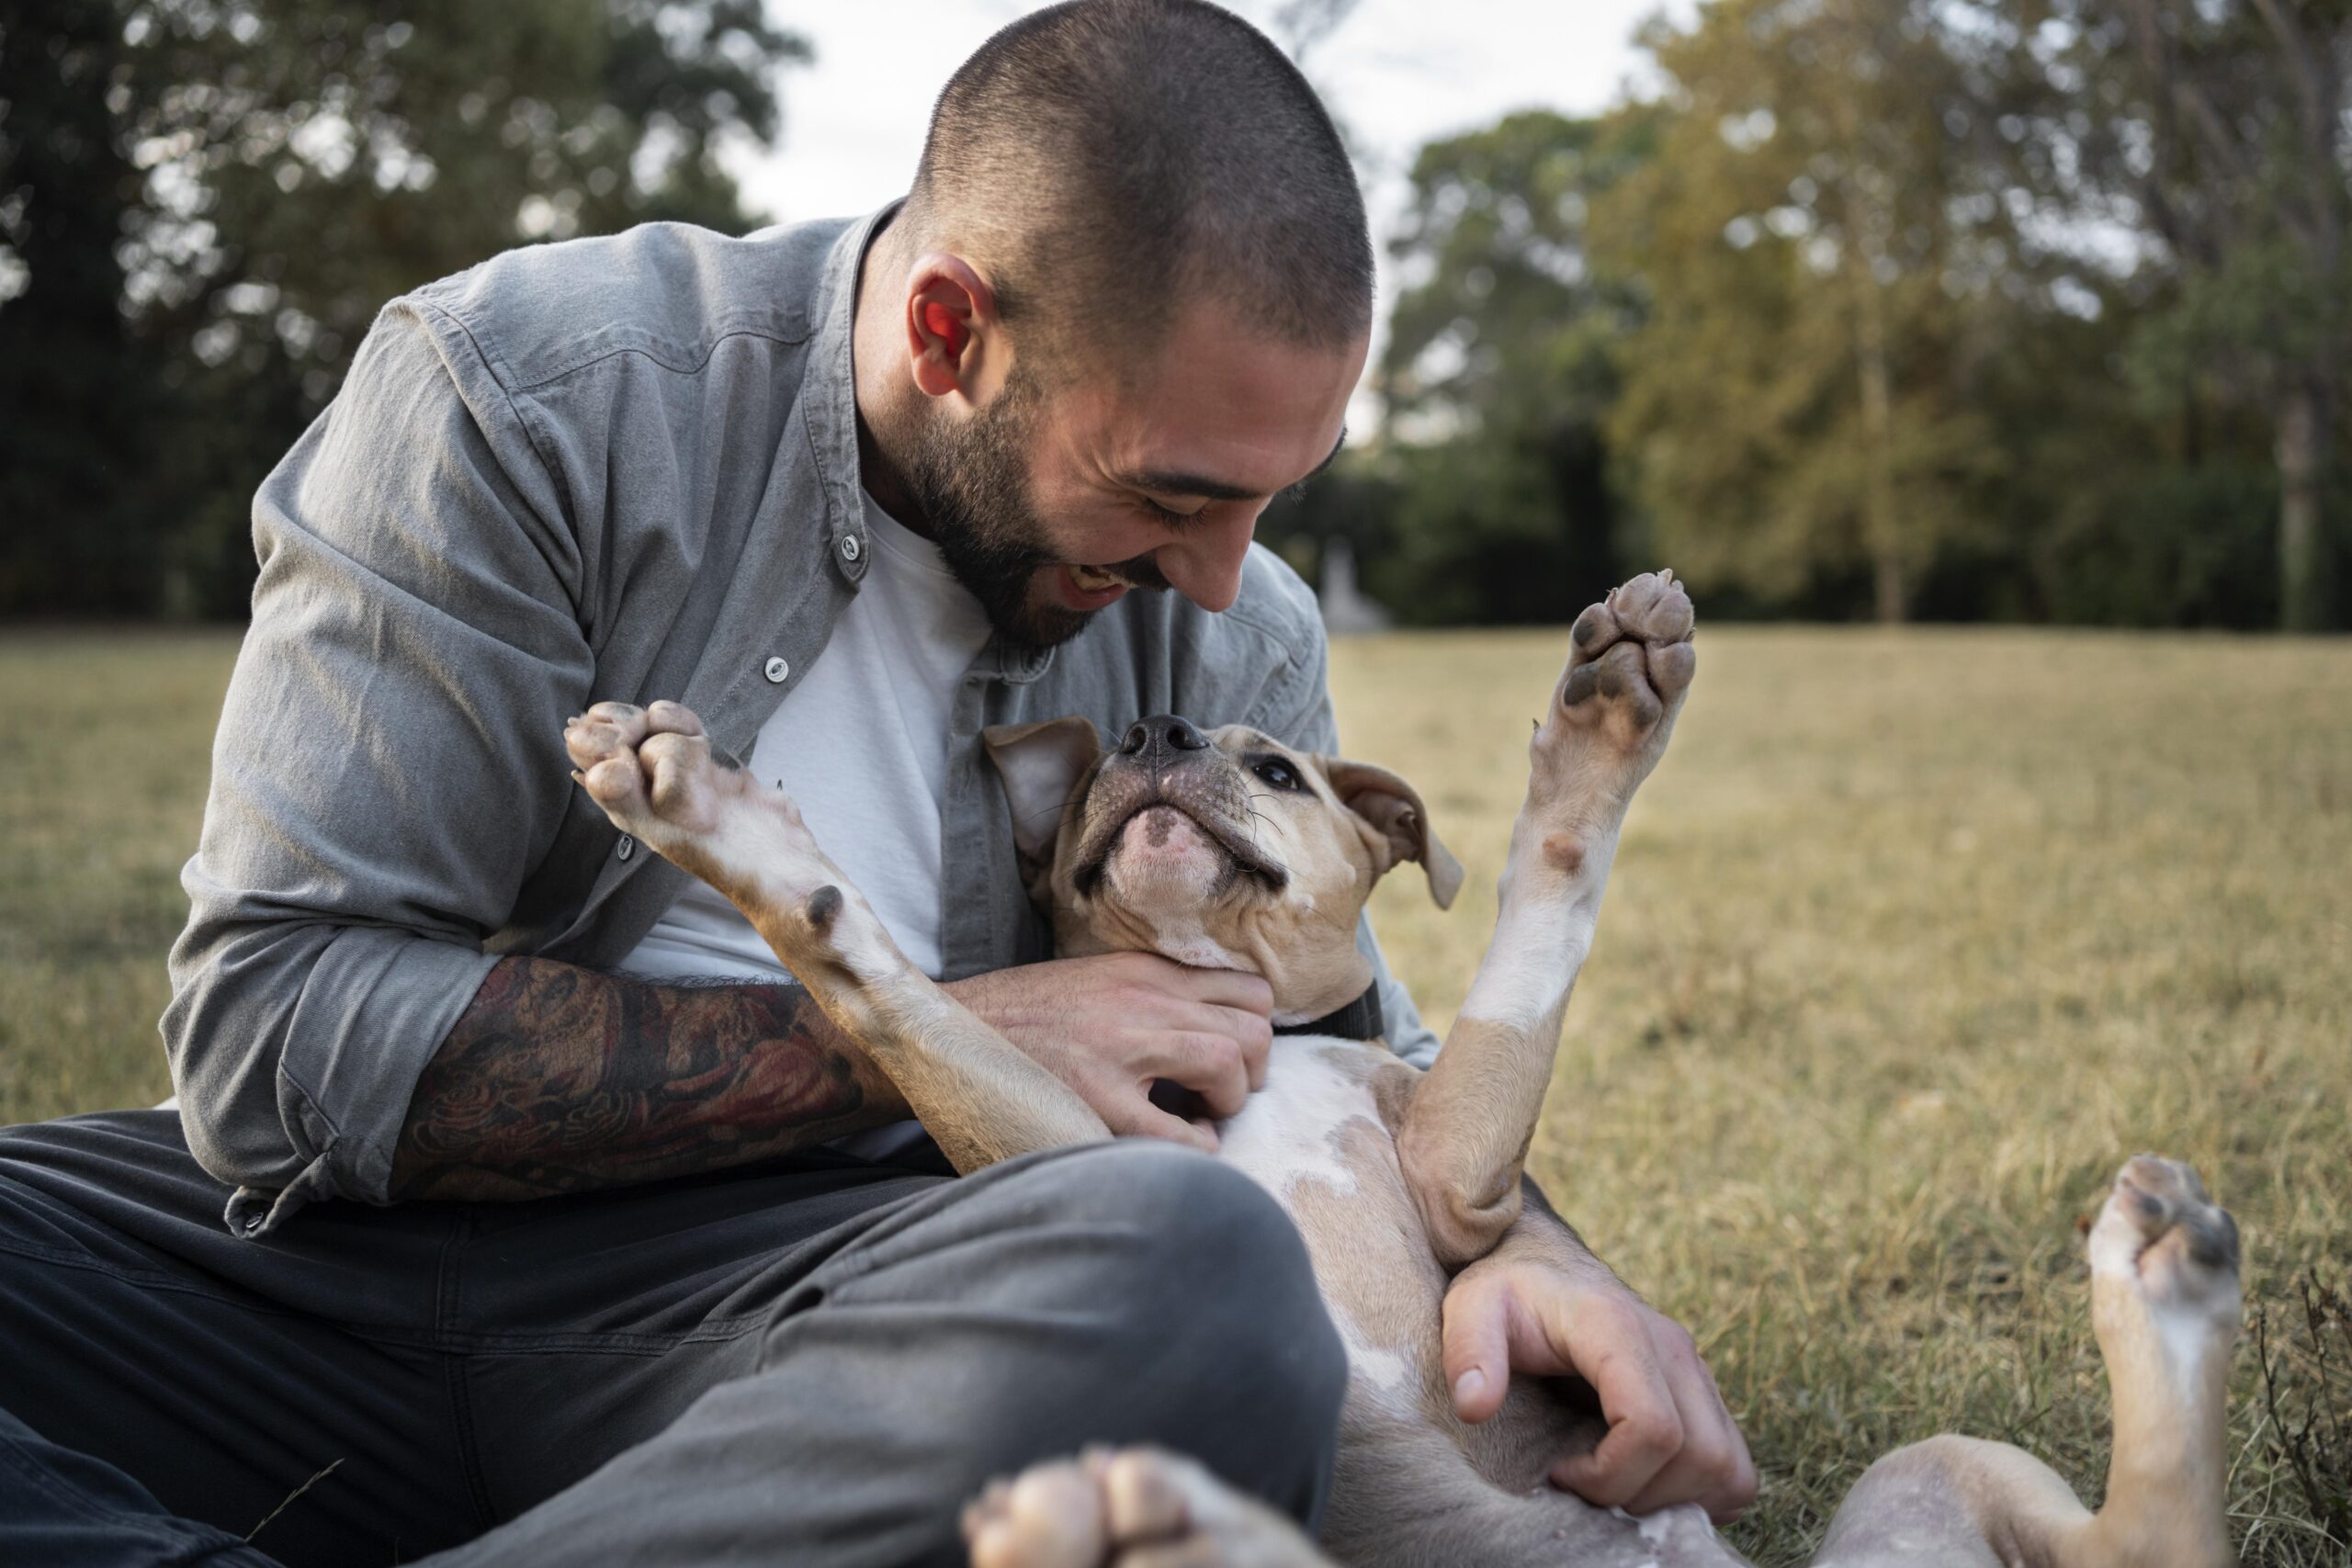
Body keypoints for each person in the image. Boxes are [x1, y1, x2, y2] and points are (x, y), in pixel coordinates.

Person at [0, 3, 1754, 1564]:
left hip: (866, 1308)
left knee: (1185, 1287)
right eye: (1167, 498)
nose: (1223, 582)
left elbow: (1339, 1046)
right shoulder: (529, 401)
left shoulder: (1230, 637)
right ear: (947, 332)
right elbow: (272, 1042)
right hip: (321, 1275)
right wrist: (942, 1026)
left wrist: (1537, 1271)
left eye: (1270, 497)